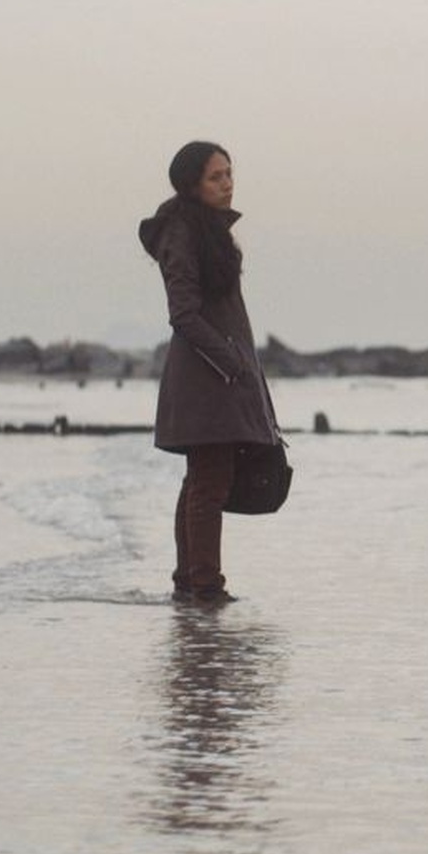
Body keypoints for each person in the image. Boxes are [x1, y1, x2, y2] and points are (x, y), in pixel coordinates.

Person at [138, 141, 281, 605]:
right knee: (209, 483)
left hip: (218, 375)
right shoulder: (182, 233)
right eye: (216, 177)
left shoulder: (209, 232)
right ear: (192, 184)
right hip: (205, 378)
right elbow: (183, 313)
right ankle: (205, 588)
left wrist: (240, 366)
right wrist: (231, 361)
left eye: (229, 174)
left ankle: (190, 583)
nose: (227, 184)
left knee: (202, 480)